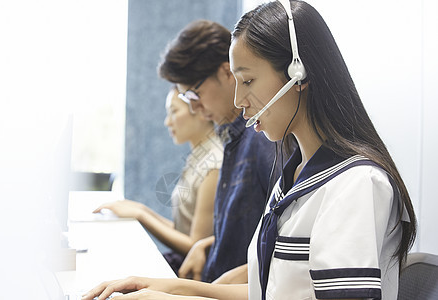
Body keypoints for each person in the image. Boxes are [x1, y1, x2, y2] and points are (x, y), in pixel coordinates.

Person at [82, 1, 417, 299]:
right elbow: (269, 292)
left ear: (298, 73)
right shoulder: (293, 176)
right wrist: (168, 286)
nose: (239, 101)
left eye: (248, 81)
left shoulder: (355, 186)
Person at [157, 19, 275, 283]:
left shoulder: (261, 137)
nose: (194, 107)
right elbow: (245, 231)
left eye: (195, 93)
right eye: (186, 98)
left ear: (226, 73)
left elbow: (281, 242)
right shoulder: (232, 139)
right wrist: (208, 245)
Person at [93, 87, 223, 274]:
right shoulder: (200, 155)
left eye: (174, 112)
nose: (167, 121)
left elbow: (195, 244)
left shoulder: (214, 163)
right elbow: (184, 230)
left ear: (199, 109)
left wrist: (141, 215)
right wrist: (140, 209)